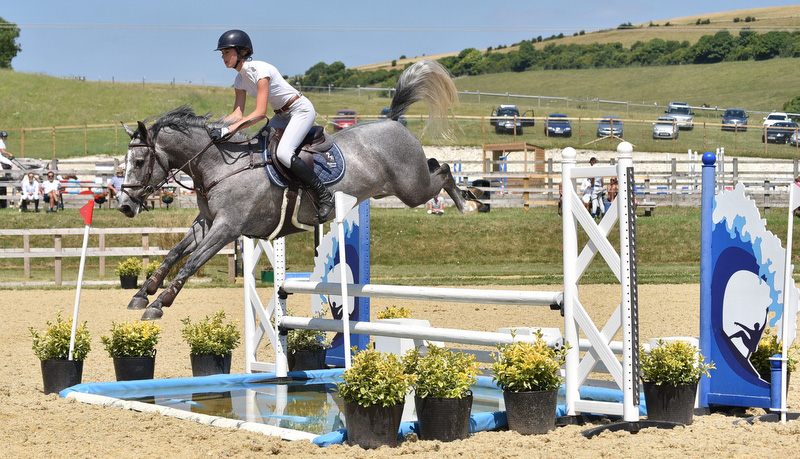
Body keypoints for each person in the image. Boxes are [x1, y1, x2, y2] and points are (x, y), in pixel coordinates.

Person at [212, 29, 333, 224]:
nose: (223, 57)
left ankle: (325, 196)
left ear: (241, 52)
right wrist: (217, 127)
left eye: (227, 52)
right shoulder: (239, 79)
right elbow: (237, 114)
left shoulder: (260, 71)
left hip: (300, 110)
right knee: (260, 144)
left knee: (284, 153)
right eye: (222, 53)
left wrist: (229, 130)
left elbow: (260, 113)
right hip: (282, 115)